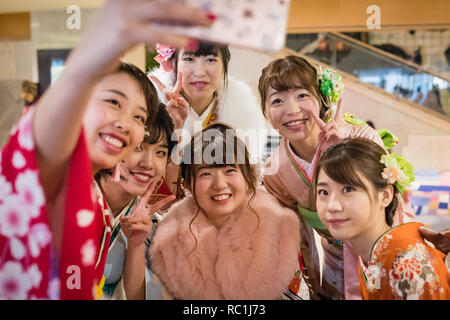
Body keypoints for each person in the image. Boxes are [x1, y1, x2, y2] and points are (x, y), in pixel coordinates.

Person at [0, 0, 215, 300]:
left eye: (139, 116)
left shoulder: (104, 210)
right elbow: (38, 144)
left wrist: (137, 242)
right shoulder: (55, 175)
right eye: (113, 102)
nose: (126, 123)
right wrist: (95, 52)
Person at [258, 55, 415, 299]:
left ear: (321, 99)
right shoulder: (276, 169)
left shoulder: (362, 137)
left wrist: (348, 155)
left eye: (302, 96)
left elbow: (390, 202)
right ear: (265, 110)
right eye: (277, 100)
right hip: (334, 255)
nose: (292, 110)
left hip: (382, 244)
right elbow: (296, 235)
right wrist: (311, 279)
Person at [146, 123, 302, 299]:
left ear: (248, 176)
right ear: (188, 182)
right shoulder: (169, 241)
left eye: (230, 170)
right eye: (206, 173)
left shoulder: (277, 231)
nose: (220, 184)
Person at [315, 137, 449, 299]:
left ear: (385, 195)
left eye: (348, 189)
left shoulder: (408, 266)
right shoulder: (374, 252)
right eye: (323, 192)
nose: (332, 206)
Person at [98, 105, 177, 299]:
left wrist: (135, 245)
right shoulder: (69, 197)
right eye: (139, 147)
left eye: (160, 152)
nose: (148, 163)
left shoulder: (146, 222)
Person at [148, 42, 268, 163]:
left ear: (225, 65)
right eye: (189, 59)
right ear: (173, 64)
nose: (200, 72)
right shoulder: (151, 105)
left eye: (211, 60)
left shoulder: (242, 111)